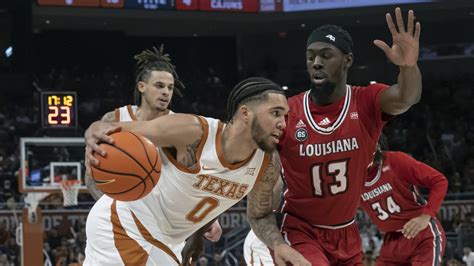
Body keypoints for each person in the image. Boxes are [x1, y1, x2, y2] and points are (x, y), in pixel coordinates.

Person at [247, 7, 423, 265]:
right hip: (300, 229)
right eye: (310, 56)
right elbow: (260, 199)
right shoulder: (287, 113)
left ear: (347, 60)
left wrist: (408, 67)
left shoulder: (366, 102)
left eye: (325, 55)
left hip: (347, 232)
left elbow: (407, 97)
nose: (315, 62)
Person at [83, 77, 310, 265]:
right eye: (275, 113)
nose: (283, 123)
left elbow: (258, 215)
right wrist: (94, 135)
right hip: (125, 221)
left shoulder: (267, 163)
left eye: (285, 116)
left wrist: (279, 246)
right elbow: (106, 129)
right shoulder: (193, 132)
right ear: (245, 113)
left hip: (165, 239)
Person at [83, 45, 222, 262]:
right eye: (159, 86)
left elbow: (194, 183)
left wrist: (208, 219)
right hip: (119, 222)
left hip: (163, 225)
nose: (166, 92)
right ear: (141, 86)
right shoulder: (114, 120)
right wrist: (123, 207)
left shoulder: (181, 129)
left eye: (170, 87)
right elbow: (91, 178)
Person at [360, 142, 448, 265]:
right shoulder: (350, 179)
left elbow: (439, 181)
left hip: (421, 233)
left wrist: (427, 215)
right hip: (392, 241)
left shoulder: (395, 161)